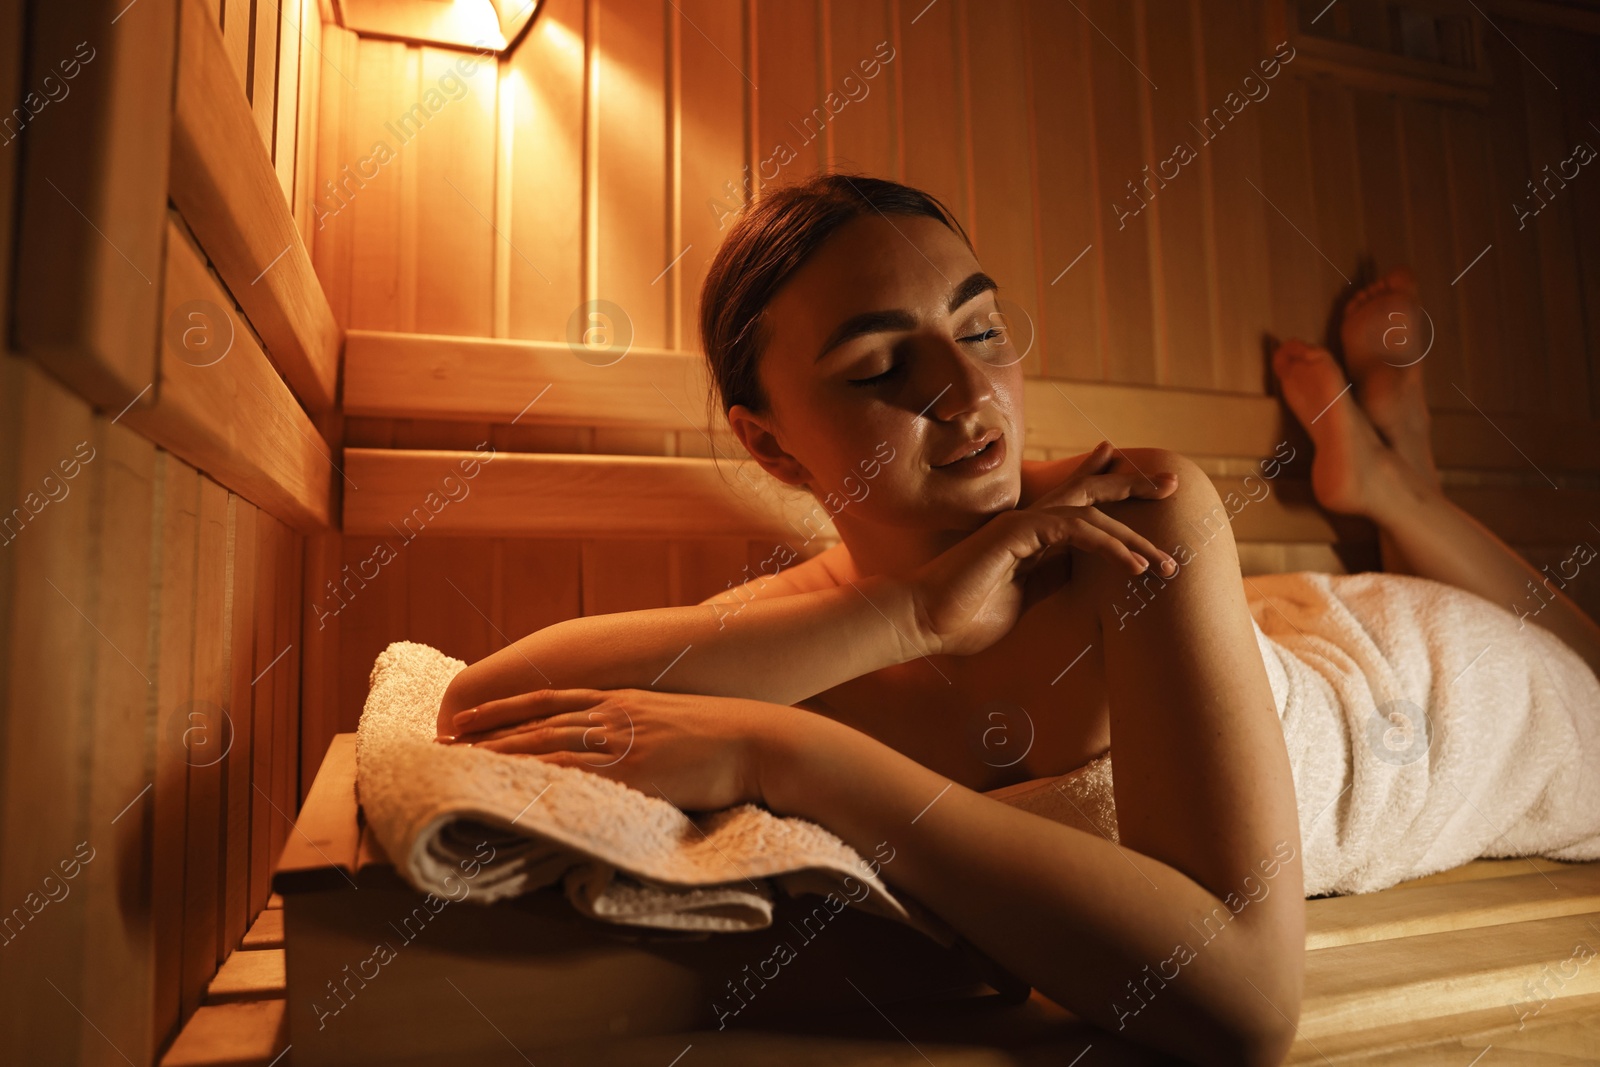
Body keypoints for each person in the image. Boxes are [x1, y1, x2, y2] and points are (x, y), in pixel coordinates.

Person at [433, 173, 1600, 1065]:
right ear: (770, 441)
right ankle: (1396, 485)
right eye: (883, 363)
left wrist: (783, 749)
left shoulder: (1131, 504)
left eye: (979, 328)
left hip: (1437, 707)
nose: (965, 389)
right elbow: (477, 706)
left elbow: (1242, 1000)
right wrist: (906, 615)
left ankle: (1400, 490)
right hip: (1295, 632)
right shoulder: (811, 623)